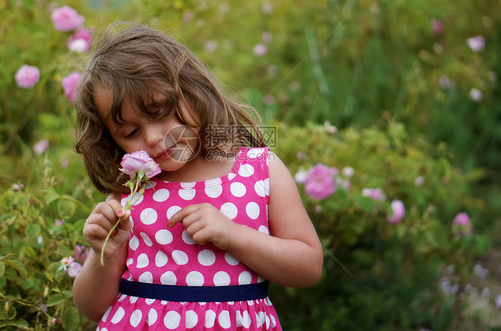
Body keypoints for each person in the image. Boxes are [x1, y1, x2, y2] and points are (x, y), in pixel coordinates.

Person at [72, 22, 323, 330]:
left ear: (193, 91)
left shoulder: (259, 171)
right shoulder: (130, 193)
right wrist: (104, 252)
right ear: (114, 141)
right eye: (131, 132)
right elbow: (91, 307)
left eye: (160, 111)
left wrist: (234, 235)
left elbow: (308, 266)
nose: (152, 138)